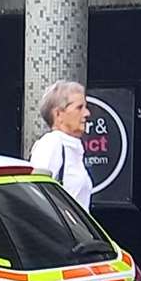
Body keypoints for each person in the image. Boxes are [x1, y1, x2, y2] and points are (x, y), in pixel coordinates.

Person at [29, 80, 92, 210]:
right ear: (58, 114)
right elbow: (36, 196)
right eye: (79, 107)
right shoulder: (51, 144)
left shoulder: (72, 146)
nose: (87, 113)